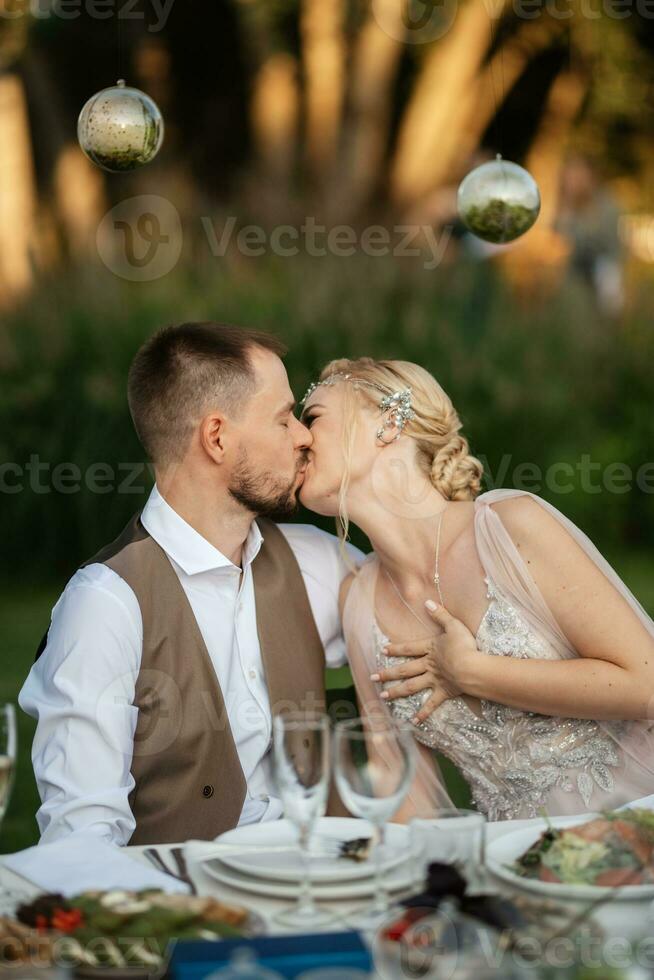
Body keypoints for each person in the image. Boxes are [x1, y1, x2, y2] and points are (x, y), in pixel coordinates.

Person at [19, 322, 363, 846]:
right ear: (217, 437)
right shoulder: (105, 605)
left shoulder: (313, 561)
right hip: (188, 914)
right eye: (283, 418)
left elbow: (421, 616)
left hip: (326, 893)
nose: (303, 435)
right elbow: (81, 836)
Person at [298, 357, 654, 821]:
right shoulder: (359, 602)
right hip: (518, 871)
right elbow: (402, 788)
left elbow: (645, 683)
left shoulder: (509, 527)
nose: (299, 438)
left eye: (313, 418)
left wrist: (471, 672)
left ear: (387, 422)